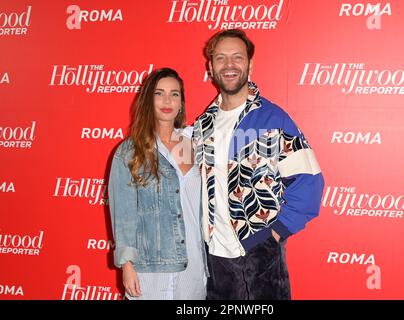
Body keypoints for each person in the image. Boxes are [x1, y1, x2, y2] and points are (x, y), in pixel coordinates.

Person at [193, 29, 325, 300]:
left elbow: (309, 179)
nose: (229, 65)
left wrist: (274, 234)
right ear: (210, 67)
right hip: (214, 261)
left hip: (258, 255)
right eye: (221, 58)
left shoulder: (272, 118)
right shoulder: (201, 126)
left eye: (237, 57)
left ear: (250, 64)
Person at [108, 68, 207, 300]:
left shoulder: (196, 145)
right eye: (159, 93)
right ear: (148, 99)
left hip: (194, 266)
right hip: (150, 269)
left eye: (174, 94)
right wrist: (127, 265)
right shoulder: (129, 151)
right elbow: (123, 214)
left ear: (181, 102)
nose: (167, 101)